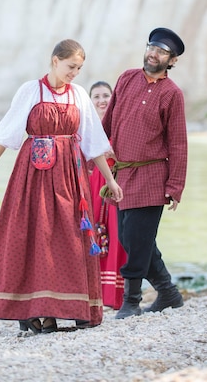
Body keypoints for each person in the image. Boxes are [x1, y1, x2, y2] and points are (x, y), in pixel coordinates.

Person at [0, 39, 123, 333]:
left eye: (79, 68)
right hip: (33, 174)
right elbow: (8, 134)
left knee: (66, 238)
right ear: (55, 60)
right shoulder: (30, 91)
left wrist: (110, 179)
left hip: (69, 174)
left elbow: (93, 143)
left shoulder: (79, 95)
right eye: (70, 67)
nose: (75, 73)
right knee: (33, 235)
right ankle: (30, 310)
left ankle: (58, 309)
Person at [101, 27, 188, 319]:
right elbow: (109, 118)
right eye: (152, 47)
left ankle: (131, 301)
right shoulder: (127, 78)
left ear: (172, 60)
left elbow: (178, 142)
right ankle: (168, 292)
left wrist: (175, 186)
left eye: (162, 51)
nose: (153, 54)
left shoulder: (172, 94)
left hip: (153, 175)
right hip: (122, 174)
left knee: (137, 239)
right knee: (130, 238)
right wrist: (97, 151)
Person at [88, 81, 126, 310]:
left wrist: (115, 152)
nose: (102, 100)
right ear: (90, 102)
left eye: (106, 95)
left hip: (116, 182)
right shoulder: (87, 126)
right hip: (93, 185)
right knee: (94, 233)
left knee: (118, 234)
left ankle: (116, 294)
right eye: (97, 96)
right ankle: (93, 293)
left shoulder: (120, 124)